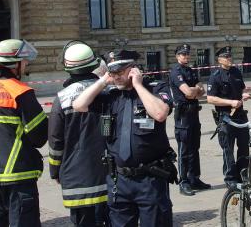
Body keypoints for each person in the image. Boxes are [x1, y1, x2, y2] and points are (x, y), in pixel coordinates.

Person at [73, 49, 175, 226]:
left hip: (150, 179)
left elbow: (160, 114)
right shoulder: (111, 96)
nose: (116, 77)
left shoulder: (155, 88)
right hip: (119, 181)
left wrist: (138, 85)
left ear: (134, 69)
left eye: (120, 72)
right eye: (113, 72)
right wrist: (104, 81)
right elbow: (79, 105)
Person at [0, 39, 47, 227]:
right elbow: (39, 137)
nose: (27, 64)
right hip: (18, 177)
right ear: (15, 64)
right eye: (24, 61)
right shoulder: (20, 92)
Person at [48, 41, 108, 226]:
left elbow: (56, 139)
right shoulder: (107, 91)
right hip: (109, 166)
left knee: (83, 220)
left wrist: (54, 169)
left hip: (76, 170)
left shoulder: (62, 98)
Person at [168, 43, 210, 196]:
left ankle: (194, 178)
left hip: (194, 114)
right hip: (183, 116)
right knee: (184, 149)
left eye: (187, 54)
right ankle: (183, 181)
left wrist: (195, 91)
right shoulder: (176, 71)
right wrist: (194, 91)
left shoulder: (191, 71)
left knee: (195, 148)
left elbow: (201, 90)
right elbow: (187, 92)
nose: (185, 56)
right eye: (182, 54)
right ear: (177, 56)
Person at [206, 46, 250, 189]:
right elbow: (210, 99)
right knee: (228, 149)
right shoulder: (215, 75)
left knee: (244, 146)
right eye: (226, 57)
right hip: (225, 116)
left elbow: (242, 87)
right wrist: (230, 102)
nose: (229, 59)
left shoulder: (236, 71)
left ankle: (243, 173)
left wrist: (244, 94)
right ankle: (230, 178)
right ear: (219, 60)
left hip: (240, 115)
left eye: (230, 57)